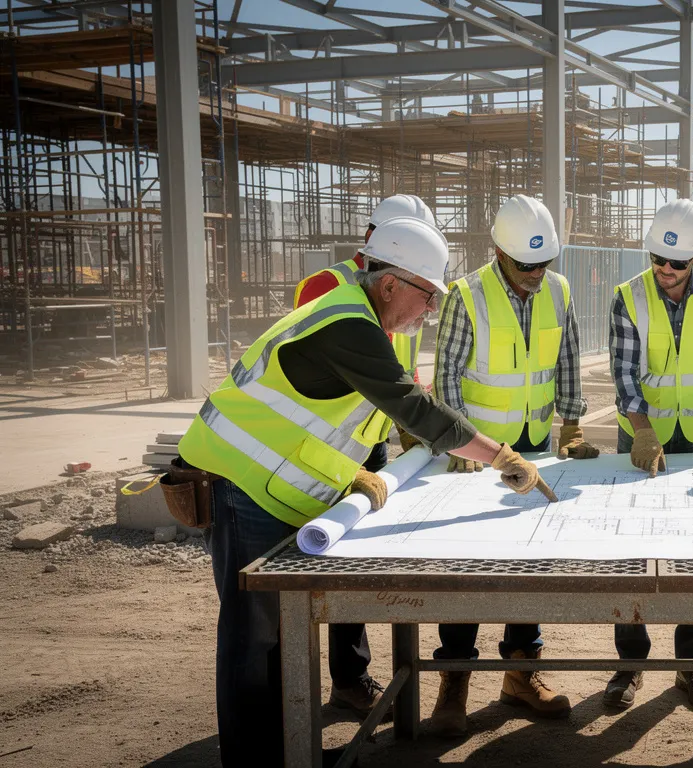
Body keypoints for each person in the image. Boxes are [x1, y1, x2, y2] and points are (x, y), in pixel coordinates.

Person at [177, 216, 551, 768]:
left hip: (265, 483)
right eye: (427, 296)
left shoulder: (364, 319)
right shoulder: (348, 323)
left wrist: (346, 472)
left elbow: (322, 417)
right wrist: (498, 455)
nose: (429, 310)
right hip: (239, 484)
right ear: (392, 283)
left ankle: (286, 753)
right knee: (254, 641)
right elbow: (414, 408)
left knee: (281, 637)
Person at [428, 194, 598, 734]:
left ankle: (521, 671)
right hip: (476, 456)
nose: (535, 274)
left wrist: (571, 424)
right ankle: (454, 681)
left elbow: (567, 355)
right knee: (467, 566)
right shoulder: (467, 294)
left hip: (535, 443)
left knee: (531, 562)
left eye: (544, 263)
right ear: (498, 251)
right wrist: (455, 443)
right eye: (525, 265)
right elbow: (448, 373)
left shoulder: (558, 289)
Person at [289, 193, 436, 720]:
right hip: (325, 447)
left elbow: (399, 369)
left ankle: (362, 676)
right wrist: (347, 466)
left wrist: (405, 434)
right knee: (328, 560)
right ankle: (344, 681)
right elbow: (318, 374)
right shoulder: (330, 287)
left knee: (369, 557)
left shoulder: (399, 286)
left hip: (370, 441)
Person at [604, 198, 693, 711]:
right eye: (657, 260)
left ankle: (692, 664)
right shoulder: (628, 295)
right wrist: (642, 431)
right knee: (631, 553)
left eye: (678, 263)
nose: (666, 271)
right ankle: (630, 665)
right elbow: (623, 373)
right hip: (643, 434)